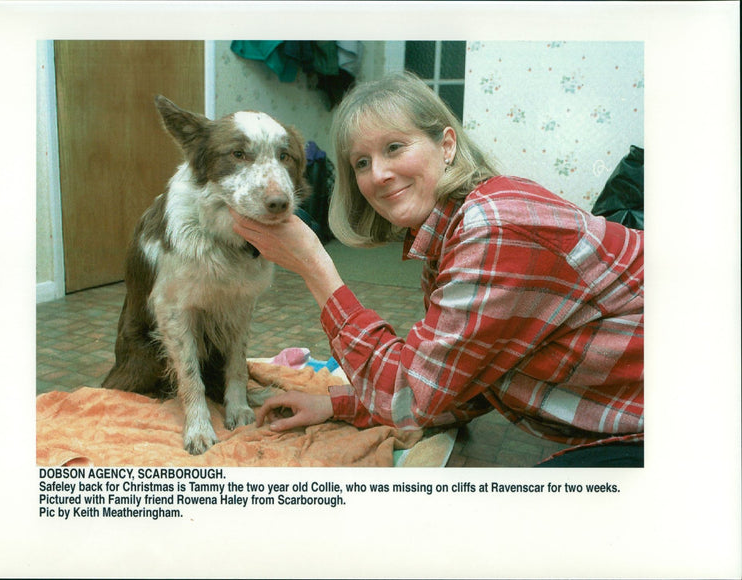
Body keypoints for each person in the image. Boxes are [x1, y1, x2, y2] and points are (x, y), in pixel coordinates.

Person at [231, 72, 644, 467]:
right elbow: (459, 378)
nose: (378, 175)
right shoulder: (451, 235)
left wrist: (315, 267)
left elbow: (411, 394)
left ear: (446, 145)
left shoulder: (494, 226)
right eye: (361, 162)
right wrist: (334, 403)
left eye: (394, 147)